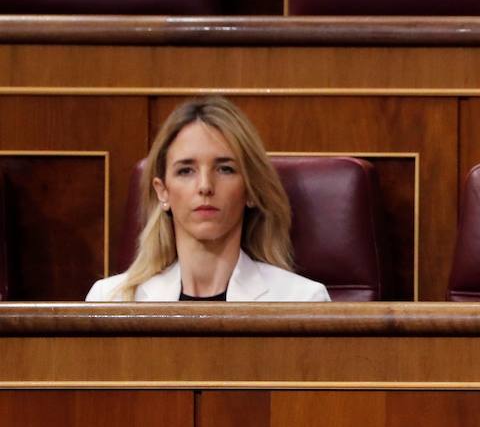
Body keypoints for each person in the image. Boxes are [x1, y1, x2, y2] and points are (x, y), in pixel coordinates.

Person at [86, 96, 330, 302]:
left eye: (225, 169)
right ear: (163, 192)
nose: (205, 186)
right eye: (186, 171)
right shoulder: (110, 299)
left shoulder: (301, 299)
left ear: (251, 190)